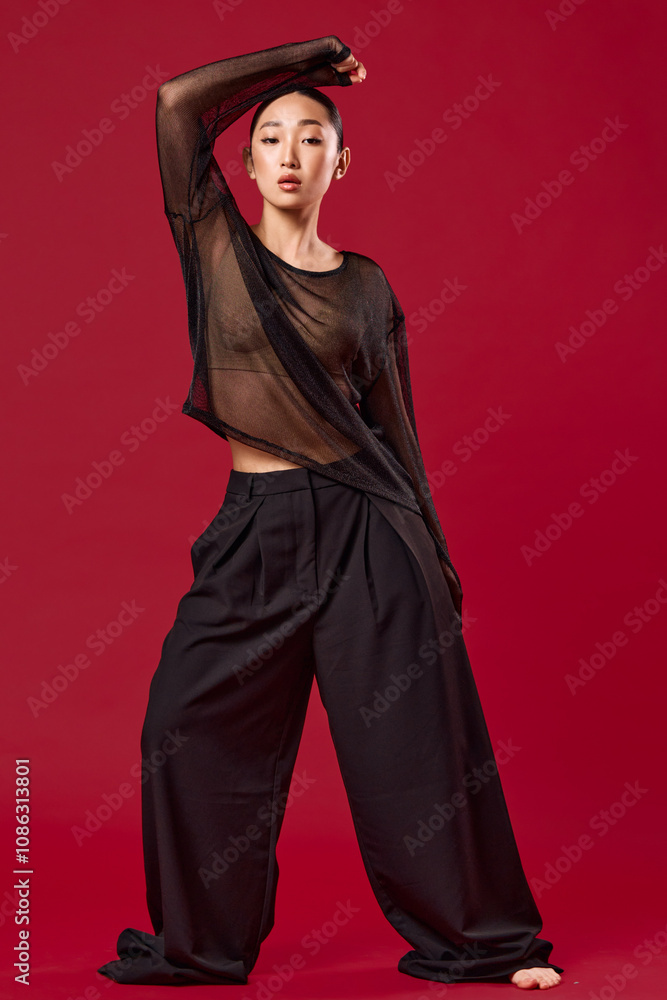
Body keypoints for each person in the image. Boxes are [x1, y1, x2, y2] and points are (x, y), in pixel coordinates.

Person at [97, 35, 564, 990]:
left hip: (368, 530)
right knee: (180, 727)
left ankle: (487, 941)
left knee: (414, 748)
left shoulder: (366, 287)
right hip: (254, 528)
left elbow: (398, 430)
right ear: (246, 157)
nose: (290, 153)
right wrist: (305, 62)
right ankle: (201, 946)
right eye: (272, 136)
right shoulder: (213, 244)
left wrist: (436, 557)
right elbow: (177, 103)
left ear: (339, 163)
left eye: (312, 138)